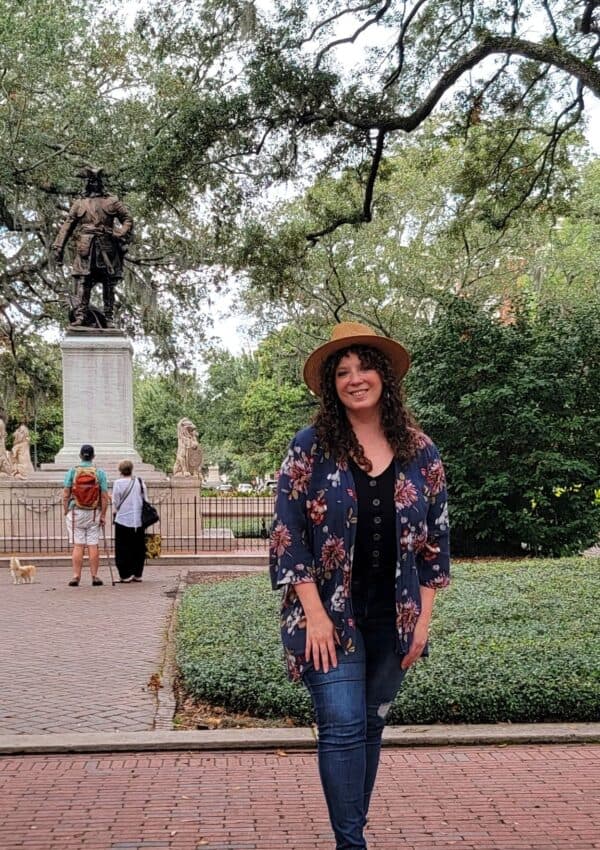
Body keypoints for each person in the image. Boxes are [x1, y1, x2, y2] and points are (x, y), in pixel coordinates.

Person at [269, 322, 450, 850]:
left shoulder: (421, 453)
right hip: (326, 618)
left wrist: (424, 618)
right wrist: (316, 615)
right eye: (342, 372)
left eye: (363, 366)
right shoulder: (310, 448)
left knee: (370, 727)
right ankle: (352, 843)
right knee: (344, 725)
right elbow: (285, 533)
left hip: (394, 618)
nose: (354, 378)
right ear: (332, 386)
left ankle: (352, 832)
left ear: (384, 376)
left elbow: (435, 542)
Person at [53, 167, 133, 328]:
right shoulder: (79, 203)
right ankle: (81, 316)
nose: (94, 184)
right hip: (86, 247)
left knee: (108, 283)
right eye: (91, 181)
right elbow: (67, 225)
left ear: (101, 183)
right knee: (84, 282)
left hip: (107, 246)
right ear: (87, 183)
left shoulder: (112, 201)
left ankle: (109, 318)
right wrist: (59, 245)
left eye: (97, 181)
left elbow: (128, 219)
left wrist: (119, 233)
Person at [62, 444, 109, 587]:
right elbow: (105, 496)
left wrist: (66, 510)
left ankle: (76, 576)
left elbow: (65, 494)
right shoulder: (99, 473)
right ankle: (95, 576)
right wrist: (103, 515)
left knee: (78, 545)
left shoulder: (72, 472)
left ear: (80, 456)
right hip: (93, 512)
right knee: (93, 544)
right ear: (93, 456)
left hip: (76, 511)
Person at [111, 459, 148, 583]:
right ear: (131, 469)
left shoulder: (118, 483)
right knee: (138, 547)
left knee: (123, 548)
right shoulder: (140, 481)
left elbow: (115, 501)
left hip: (123, 519)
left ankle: (125, 574)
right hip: (138, 520)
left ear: (120, 470)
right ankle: (138, 573)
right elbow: (145, 499)